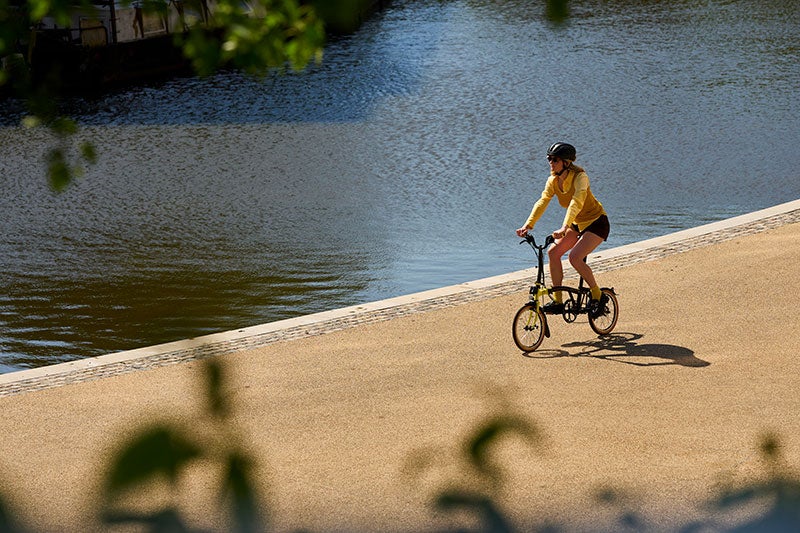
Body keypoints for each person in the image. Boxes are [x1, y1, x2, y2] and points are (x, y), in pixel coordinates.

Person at [515, 142, 610, 318]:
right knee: (553, 253)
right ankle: (558, 301)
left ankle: (597, 294)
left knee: (575, 257)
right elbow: (542, 201)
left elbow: (577, 202)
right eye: (549, 159)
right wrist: (528, 225)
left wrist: (564, 227)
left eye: (555, 159)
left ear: (566, 162)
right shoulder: (553, 181)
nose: (551, 162)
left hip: (596, 223)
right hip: (576, 223)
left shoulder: (580, 177)